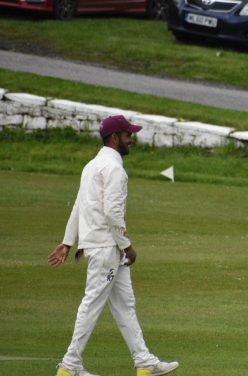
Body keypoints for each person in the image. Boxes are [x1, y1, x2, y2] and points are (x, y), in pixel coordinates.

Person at [47, 115, 179, 376]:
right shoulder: (114, 169)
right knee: (92, 304)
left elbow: (79, 206)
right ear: (115, 137)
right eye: (128, 135)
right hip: (107, 249)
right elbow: (112, 213)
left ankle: (144, 362)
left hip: (104, 248)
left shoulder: (91, 166)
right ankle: (70, 365)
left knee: (125, 305)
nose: (132, 139)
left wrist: (67, 241)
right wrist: (127, 245)